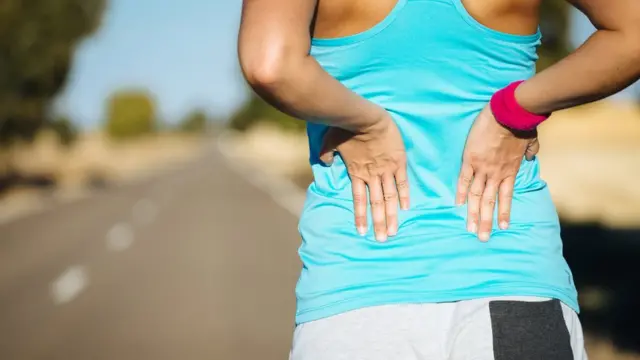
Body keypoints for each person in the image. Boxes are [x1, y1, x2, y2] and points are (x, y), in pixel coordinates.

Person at [238, 0, 640, 358]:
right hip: (512, 274)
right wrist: (515, 109)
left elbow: (270, 65)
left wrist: (366, 123)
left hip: (357, 289)